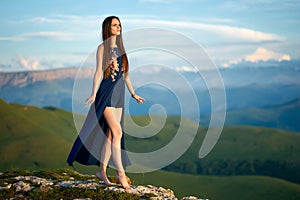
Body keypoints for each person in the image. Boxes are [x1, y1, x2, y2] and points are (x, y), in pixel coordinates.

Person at [67, 16, 145, 190]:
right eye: (114, 25)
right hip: (106, 93)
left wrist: (133, 93)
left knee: (111, 135)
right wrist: (94, 93)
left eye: (119, 25)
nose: (118, 27)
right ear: (107, 29)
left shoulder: (122, 50)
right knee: (117, 132)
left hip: (120, 94)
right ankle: (120, 173)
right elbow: (98, 72)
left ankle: (101, 171)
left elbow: (126, 75)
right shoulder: (102, 48)